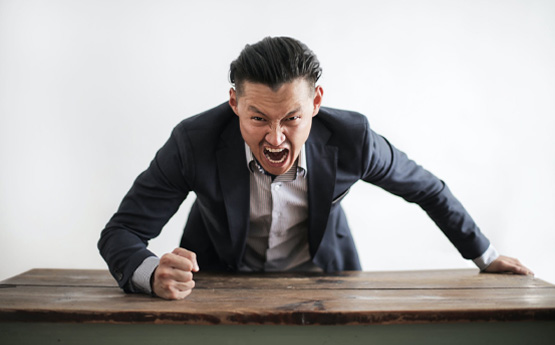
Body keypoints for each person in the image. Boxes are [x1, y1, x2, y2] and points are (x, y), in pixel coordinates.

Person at [98, 36, 533, 300]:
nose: (275, 138)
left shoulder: (353, 139)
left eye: (291, 118)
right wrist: (151, 273)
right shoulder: (193, 143)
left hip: (326, 281)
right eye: (257, 119)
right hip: (217, 283)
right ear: (234, 104)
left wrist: (485, 255)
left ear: (316, 104)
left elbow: (427, 189)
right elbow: (120, 232)